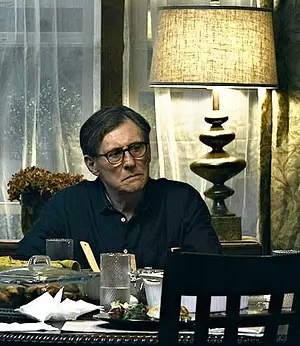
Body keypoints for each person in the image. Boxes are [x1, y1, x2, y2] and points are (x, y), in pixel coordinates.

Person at [16, 105, 222, 268]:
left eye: (136, 148)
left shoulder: (182, 201)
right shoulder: (67, 206)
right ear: (92, 165)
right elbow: (23, 265)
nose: (130, 162)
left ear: (149, 152)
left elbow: (212, 271)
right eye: (115, 154)